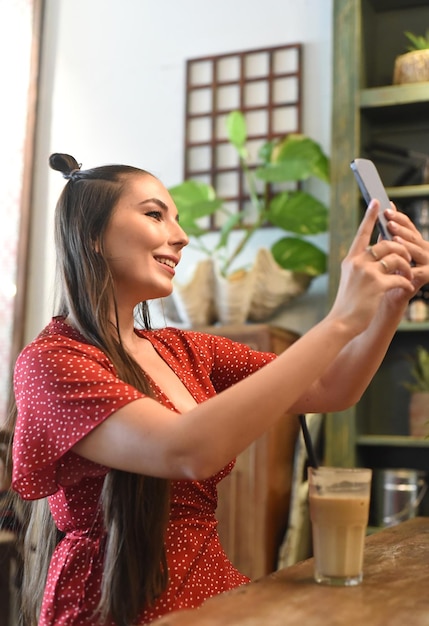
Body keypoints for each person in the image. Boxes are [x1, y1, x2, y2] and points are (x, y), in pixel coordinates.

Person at [6, 152, 429, 626]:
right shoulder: (52, 362)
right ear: (92, 236)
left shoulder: (185, 350)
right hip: (115, 605)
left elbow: (329, 387)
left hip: (216, 597)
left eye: (177, 218)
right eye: (154, 214)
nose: (181, 236)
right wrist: (339, 321)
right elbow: (186, 450)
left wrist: (394, 299)